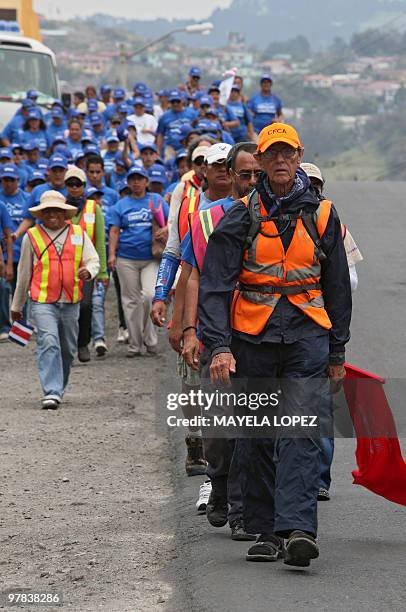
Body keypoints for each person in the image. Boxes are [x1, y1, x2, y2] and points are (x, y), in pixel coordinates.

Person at [198, 123, 352, 567]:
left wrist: (337, 353)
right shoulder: (241, 214)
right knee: (257, 436)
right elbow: (215, 284)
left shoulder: (323, 214)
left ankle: (298, 529)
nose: (281, 161)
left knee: (301, 431)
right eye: (273, 154)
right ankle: (265, 530)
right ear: (261, 161)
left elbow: (338, 288)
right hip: (253, 338)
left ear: (299, 155)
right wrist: (219, 347)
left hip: (308, 336)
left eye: (288, 153)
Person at [182, 142, 261, 539]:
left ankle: (243, 509)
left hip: (260, 334)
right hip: (217, 333)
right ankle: (220, 480)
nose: (249, 182)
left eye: (256, 175)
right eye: (243, 174)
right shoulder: (207, 219)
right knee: (218, 426)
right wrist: (189, 331)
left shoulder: (278, 216)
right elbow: (193, 276)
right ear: (229, 175)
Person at [301, 161, 363, 501]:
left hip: (322, 327)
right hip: (285, 326)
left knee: (320, 403)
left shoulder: (332, 222)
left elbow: (350, 280)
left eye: (316, 184)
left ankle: (320, 477)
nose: (312, 189)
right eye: (305, 182)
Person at [10, 191, 100, 410]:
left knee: (68, 349)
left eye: (57, 211)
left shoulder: (78, 233)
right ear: (41, 214)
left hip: (71, 301)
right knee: (49, 342)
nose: (52, 215)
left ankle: (58, 387)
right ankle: (51, 391)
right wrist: (17, 305)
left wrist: (89, 271)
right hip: (42, 301)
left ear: (64, 213)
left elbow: (93, 259)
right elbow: (23, 273)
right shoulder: (31, 236)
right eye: (47, 211)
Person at [108, 166, 168, 357]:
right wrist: (111, 254)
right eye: (132, 179)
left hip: (151, 257)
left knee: (150, 296)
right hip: (126, 258)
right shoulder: (120, 205)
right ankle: (135, 344)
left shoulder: (156, 200)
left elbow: (171, 221)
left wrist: (164, 231)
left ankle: (150, 339)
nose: (136, 182)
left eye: (139, 178)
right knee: (131, 302)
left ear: (146, 181)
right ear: (128, 182)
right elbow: (114, 231)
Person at [64, 166, 109, 362]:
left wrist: (102, 272)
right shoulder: (60, 208)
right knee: (65, 308)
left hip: (87, 267)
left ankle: (83, 343)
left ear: (84, 186)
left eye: (78, 184)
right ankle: (68, 346)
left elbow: (100, 241)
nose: (74, 188)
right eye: (70, 184)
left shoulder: (93, 208)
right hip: (64, 267)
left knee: (85, 306)